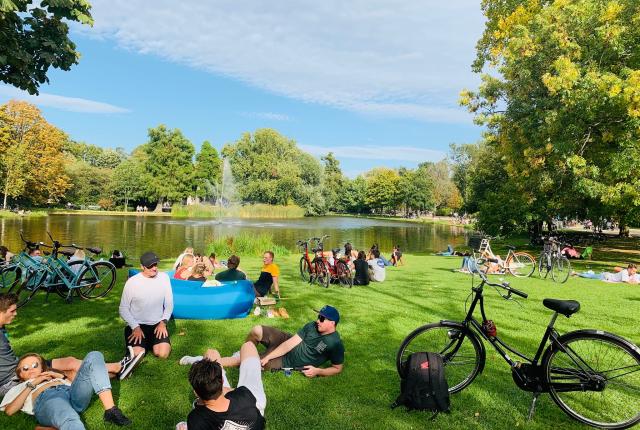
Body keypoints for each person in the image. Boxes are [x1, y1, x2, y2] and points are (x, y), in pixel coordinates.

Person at [0, 293, 142, 403]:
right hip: (15, 378)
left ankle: (119, 368)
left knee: (70, 362)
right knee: (71, 375)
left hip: (21, 367)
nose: (15, 314)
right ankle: (119, 369)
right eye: (12, 311)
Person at [182, 306, 344, 378]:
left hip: (285, 360)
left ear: (332, 323)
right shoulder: (311, 326)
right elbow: (289, 343)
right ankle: (244, 351)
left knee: (242, 361)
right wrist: (267, 356)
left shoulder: (335, 344)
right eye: (318, 316)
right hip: (284, 341)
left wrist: (318, 371)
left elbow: (337, 368)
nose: (318, 320)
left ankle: (198, 361)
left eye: (322, 318)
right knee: (257, 330)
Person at [0, 352, 132, 427]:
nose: (31, 369)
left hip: (71, 394)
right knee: (68, 417)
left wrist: (61, 376)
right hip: (48, 399)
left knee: (94, 356)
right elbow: (10, 411)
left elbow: (83, 380)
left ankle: (111, 411)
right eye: (25, 368)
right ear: (20, 375)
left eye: (35, 365)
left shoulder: (54, 376)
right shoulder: (19, 386)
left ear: (42, 368)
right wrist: (33, 383)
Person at [177, 342, 266, 430]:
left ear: (196, 393)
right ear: (222, 381)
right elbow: (259, 421)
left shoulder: (196, 420)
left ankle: (204, 361)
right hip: (254, 405)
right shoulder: (244, 394)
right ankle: (230, 360)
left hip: (248, 405)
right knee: (248, 346)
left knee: (211, 353)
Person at [119, 251, 174, 359]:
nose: (154, 268)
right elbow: (123, 309)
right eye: (150, 266)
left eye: (155, 265)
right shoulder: (132, 282)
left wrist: (163, 323)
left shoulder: (164, 278)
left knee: (163, 354)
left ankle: (150, 343)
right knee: (137, 355)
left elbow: (169, 304)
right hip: (137, 325)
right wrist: (135, 327)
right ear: (142, 267)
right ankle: (143, 345)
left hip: (157, 325)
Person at [574, 263, 639, 283]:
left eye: (635, 272)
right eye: (633, 271)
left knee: (592, 275)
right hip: (605, 276)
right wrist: (635, 283)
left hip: (607, 276)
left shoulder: (629, 273)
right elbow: (626, 282)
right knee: (590, 277)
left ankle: (582, 274)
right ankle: (576, 273)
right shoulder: (625, 272)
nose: (634, 273)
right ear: (629, 269)